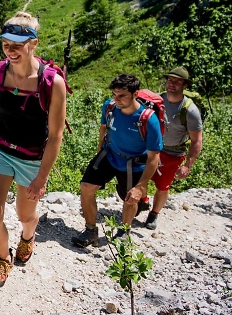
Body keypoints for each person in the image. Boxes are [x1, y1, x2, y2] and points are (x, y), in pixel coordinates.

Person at [0, 12, 67, 288]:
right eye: (5, 44)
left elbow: (56, 135)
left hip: (31, 158)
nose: (10, 50)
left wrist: (42, 177)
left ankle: (28, 236)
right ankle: (4, 258)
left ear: (33, 43)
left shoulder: (53, 83)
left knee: (25, 214)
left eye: (17, 44)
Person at [72, 74, 162, 247]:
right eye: (114, 94)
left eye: (122, 96)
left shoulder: (148, 120)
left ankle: (124, 230)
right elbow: (103, 129)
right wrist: (99, 151)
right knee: (86, 187)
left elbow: (153, 158)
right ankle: (90, 231)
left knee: (130, 199)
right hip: (110, 155)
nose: (117, 99)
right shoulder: (110, 107)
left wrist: (140, 187)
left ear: (135, 94)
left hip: (133, 164)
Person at [142, 67, 203, 230]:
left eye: (177, 81)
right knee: (140, 177)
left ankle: (154, 214)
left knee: (163, 187)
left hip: (173, 153)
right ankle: (143, 202)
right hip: (152, 149)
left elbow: (197, 141)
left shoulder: (190, 110)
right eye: (170, 80)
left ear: (185, 85)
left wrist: (187, 166)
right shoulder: (158, 101)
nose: (172, 84)